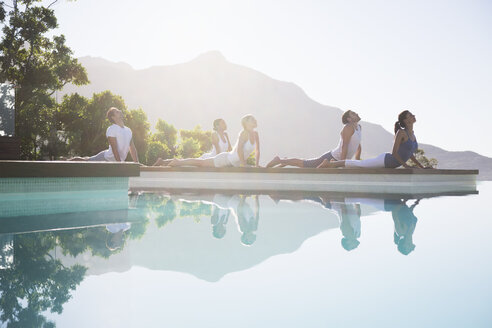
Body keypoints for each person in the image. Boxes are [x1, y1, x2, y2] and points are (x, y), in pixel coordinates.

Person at [318, 110, 429, 169]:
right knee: (360, 165)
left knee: (360, 166)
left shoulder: (412, 135)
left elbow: (410, 154)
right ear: (405, 120)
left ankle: (332, 163)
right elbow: (394, 153)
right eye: (410, 115)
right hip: (386, 160)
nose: (413, 116)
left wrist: (422, 167)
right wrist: (405, 166)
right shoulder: (401, 133)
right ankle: (330, 164)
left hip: (392, 164)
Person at [266, 110, 362, 168]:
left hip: (338, 160)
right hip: (332, 158)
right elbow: (344, 146)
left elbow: (358, 145)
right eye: (353, 113)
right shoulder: (348, 127)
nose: (356, 113)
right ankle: (279, 160)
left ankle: (285, 161)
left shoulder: (359, 128)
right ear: (349, 119)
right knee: (305, 164)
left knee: (307, 163)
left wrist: (358, 161)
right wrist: (342, 164)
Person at [167, 114, 260, 168]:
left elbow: (257, 151)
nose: (255, 121)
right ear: (246, 123)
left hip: (233, 163)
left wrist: (256, 165)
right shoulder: (244, 133)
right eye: (253, 120)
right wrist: (244, 164)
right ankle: (178, 162)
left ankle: (178, 162)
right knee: (201, 163)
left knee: (201, 163)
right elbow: (239, 149)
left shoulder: (255, 134)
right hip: (225, 159)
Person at [69, 107, 139, 163]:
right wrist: (119, 164)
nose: (120, 111)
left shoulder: (128, 130)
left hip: (116, 161)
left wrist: (137, 163)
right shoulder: (111, 129)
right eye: (117, 112)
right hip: (106, 158)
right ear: (113, 117)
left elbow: (132, 148)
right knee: (86, 161)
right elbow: (114, 149)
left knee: (87, 159)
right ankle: (66, 161)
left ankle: (67, 158)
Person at [153, 118, 232, 166]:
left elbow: (230, 149)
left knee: (187, 161)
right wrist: (221, 163)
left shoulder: (226, 135)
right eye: (223, 123)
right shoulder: (215, 135)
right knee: (188, 163)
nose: (225, 124)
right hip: (211, 158)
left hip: (219, 158)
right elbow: (218, 151)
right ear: (217, 126)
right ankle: (163, 161)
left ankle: (163, 161)